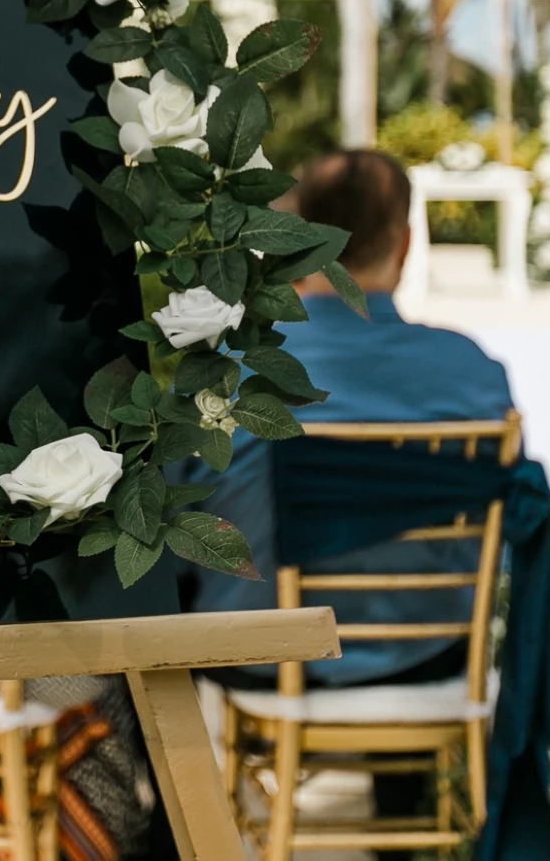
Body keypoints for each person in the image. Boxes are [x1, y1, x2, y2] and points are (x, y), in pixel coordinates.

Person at [186, 149, 516, 813]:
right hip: (427, 662)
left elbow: (175, 527)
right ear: (406, 243)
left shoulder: (239, 371)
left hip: (260, 662)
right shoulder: (473, 373)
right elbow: (499, 544)